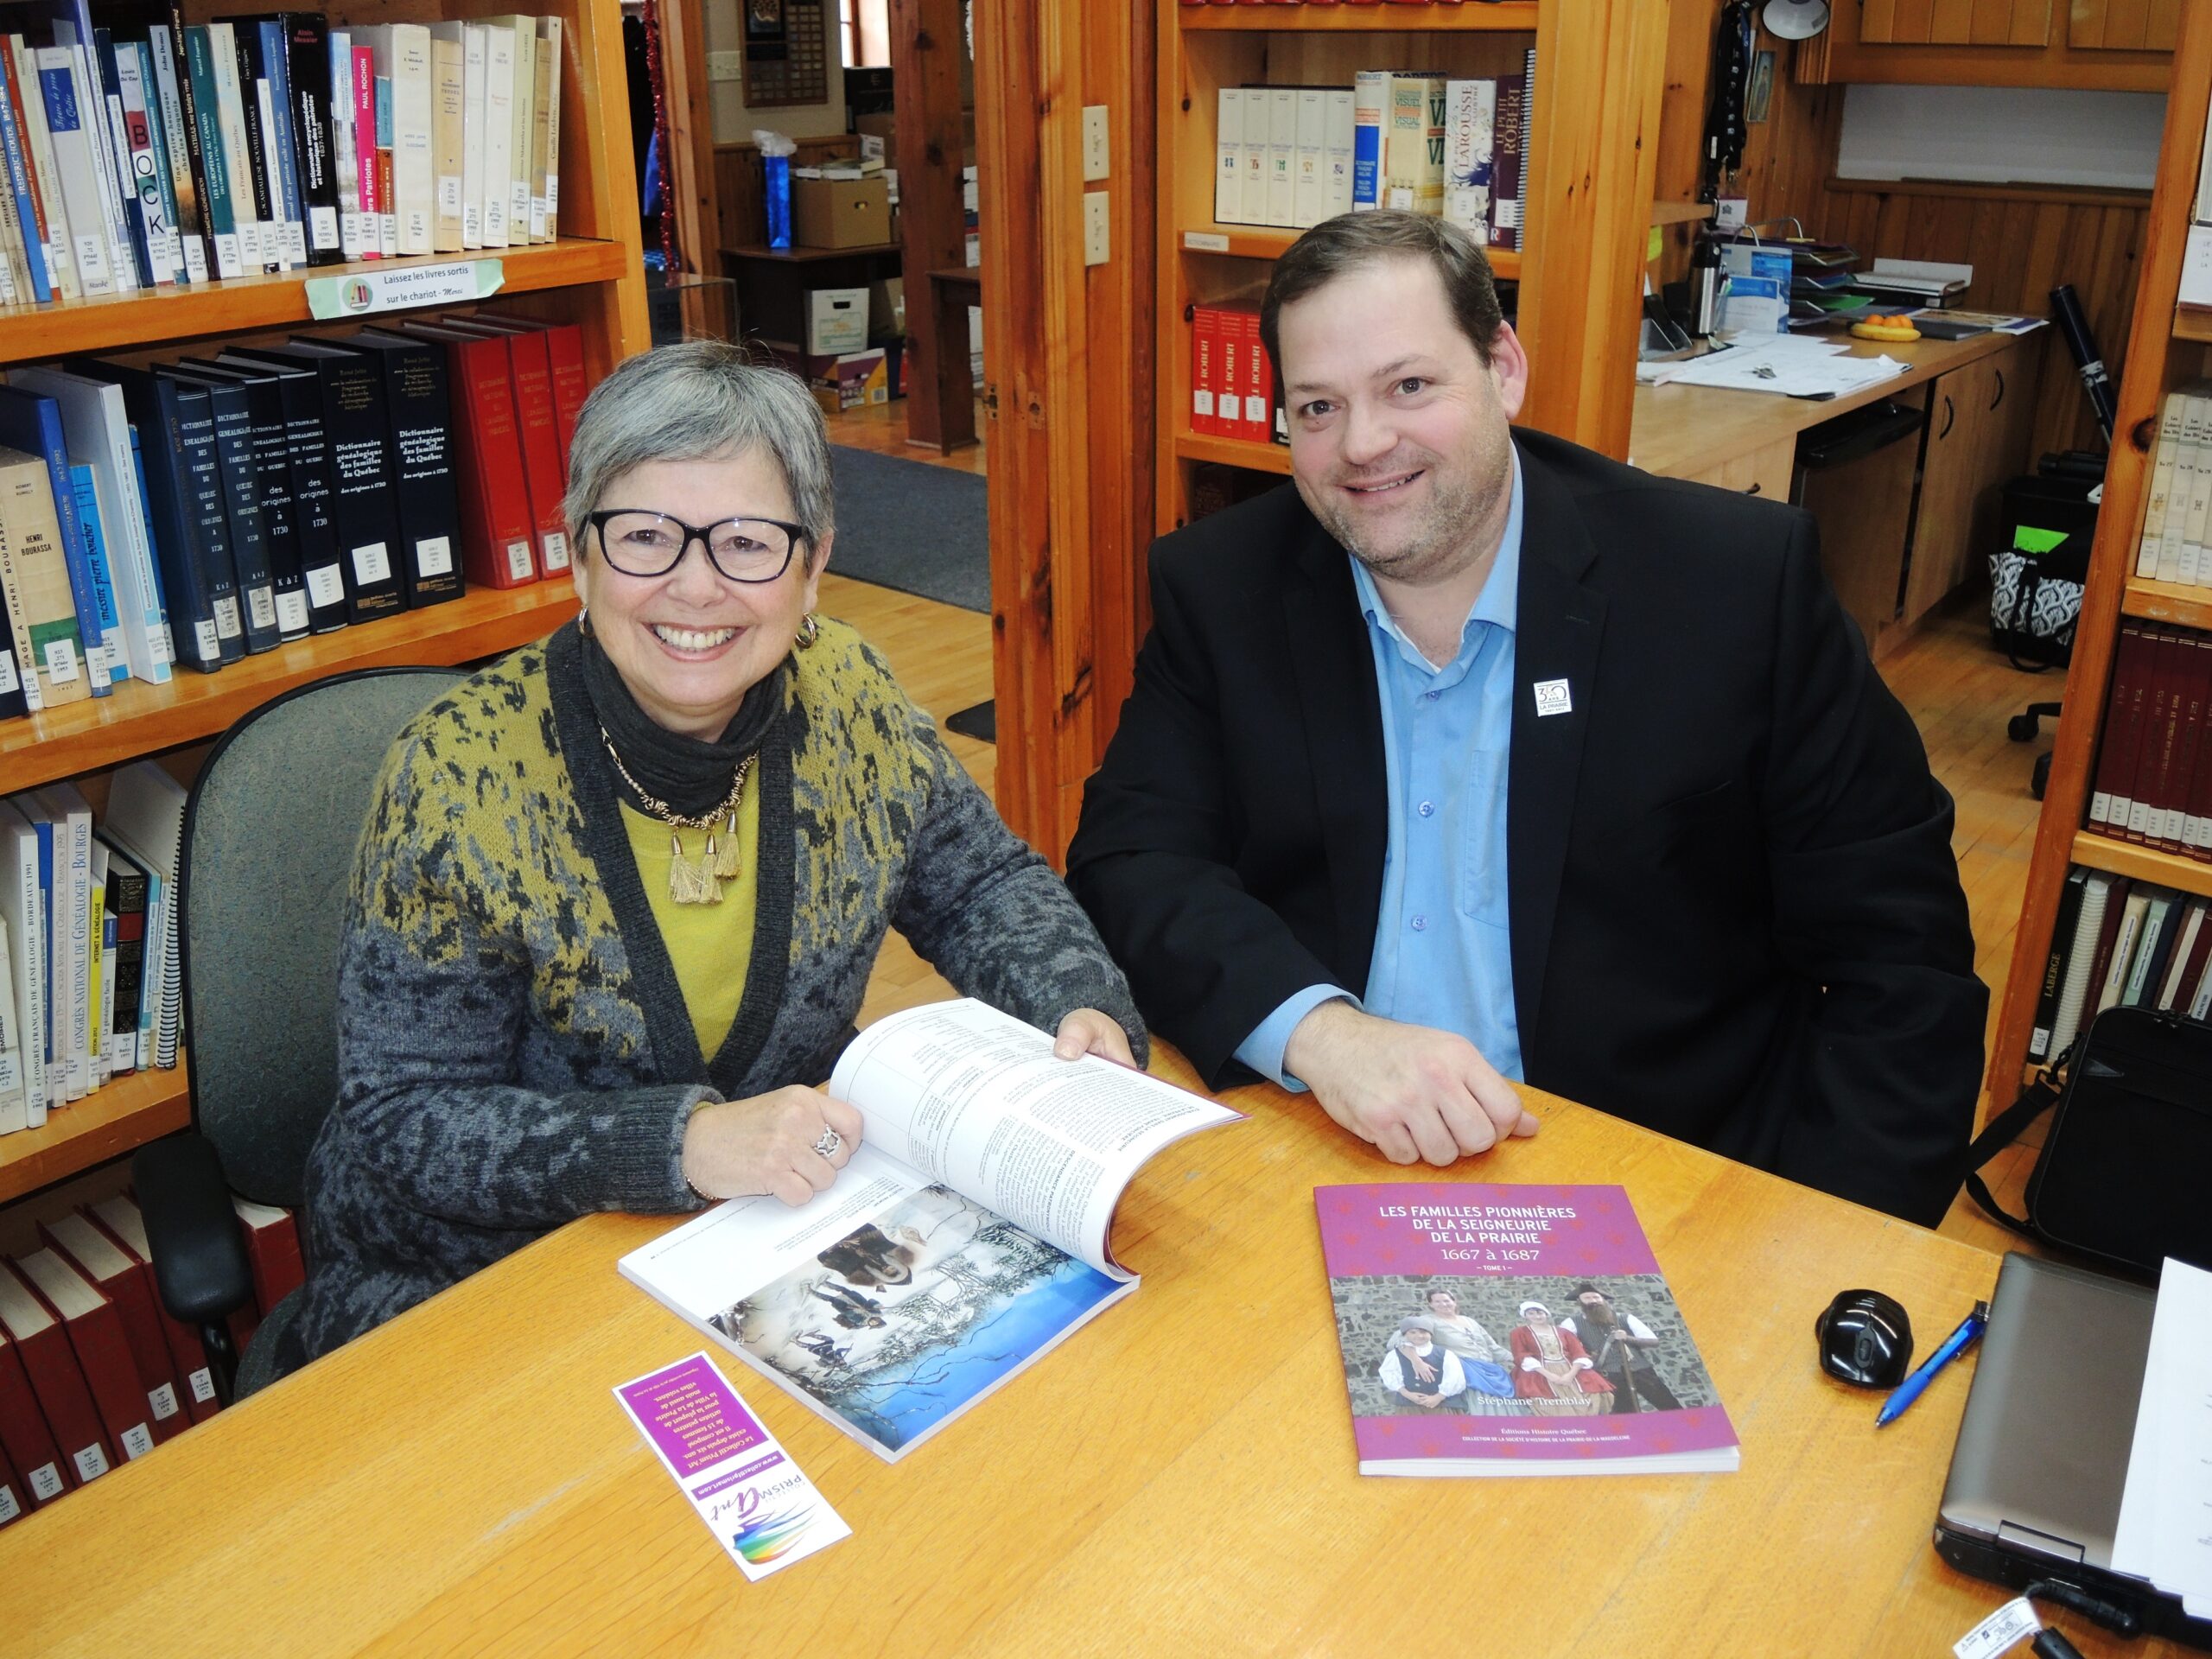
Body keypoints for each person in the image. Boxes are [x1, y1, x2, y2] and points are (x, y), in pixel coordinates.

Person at [1065, 211, 1984, 1225]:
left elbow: (1900, 969)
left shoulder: (1730, 589)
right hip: (1318, 1146)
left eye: (1408, 386)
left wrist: (1829, 1255)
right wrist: (1324, 1034)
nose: (1362, 445)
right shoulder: (1222, 585)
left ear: (1502, 368)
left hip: (1654, 1181)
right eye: (1317, 408)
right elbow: (1132, 860)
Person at [276, 343, 1145, 1377]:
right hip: (476, 1279)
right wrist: (680, 1145)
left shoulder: (847, 696)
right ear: (579, 554)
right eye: (645, 537)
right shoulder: (461, 775)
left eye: (745, 542)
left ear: (814, 564)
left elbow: (977, 885)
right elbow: (403, 1119)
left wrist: (1074, 1001)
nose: (696, 589)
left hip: (748, 1247)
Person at [1559, 1283, 1682, 1414]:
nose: (1593, 1301)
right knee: (1624, 1415)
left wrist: (1628, 1338)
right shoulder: (1571, 1323)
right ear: (1580, 1302)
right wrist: (1588, 1355)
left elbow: (1653, 1341)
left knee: (1669, 1406)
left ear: (1603, 1299)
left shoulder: (1625, 1318)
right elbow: (1562, 1346)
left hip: (1641, 1370)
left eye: (1596, 1297)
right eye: (1587, 1298)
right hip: (1608, 1375)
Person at [1420, 1287, 1521, 1414]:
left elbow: (1492, 1347)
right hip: (1467, 1373)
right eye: (1437, 1302)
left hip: (1491, 1370)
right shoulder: (1428, 1321)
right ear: (1431, 1304)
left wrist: (1519, 1359)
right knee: (1483, 1411)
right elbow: (1402, 1339)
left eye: (1446, 1300)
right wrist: (1417, 1361)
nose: (1443, 1304)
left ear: (1454, 1301)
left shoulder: (1469, 1321)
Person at [1508, 1300, 1611, 1416]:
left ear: (1546, 1314)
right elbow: (1521, 1355)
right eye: (1531, 1313)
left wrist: (1570, 1375)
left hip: (1569, 1370)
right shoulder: (1519, 1333)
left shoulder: (1564, 1332)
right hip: (1539, 1372)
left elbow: (1579, 1353)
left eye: (1540, 1312)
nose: (1537, 1316)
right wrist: (1550, 1375)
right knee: (1548, 1404)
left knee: (1592, 1398)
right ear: (1525, 1316)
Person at [1377, 1318, 1464, 1413]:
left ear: (1430, 1334)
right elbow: (1388, 1374)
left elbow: (1455, 1378)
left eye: (1423, 1332)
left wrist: (1439, 1397)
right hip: (1408, 1406)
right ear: (1405, 1335)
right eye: (1413, 1332)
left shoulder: (1446, 1354)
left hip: (1441, 1406)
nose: (1419, 1336)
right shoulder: (1395, 1355)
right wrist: (1406, 1394)